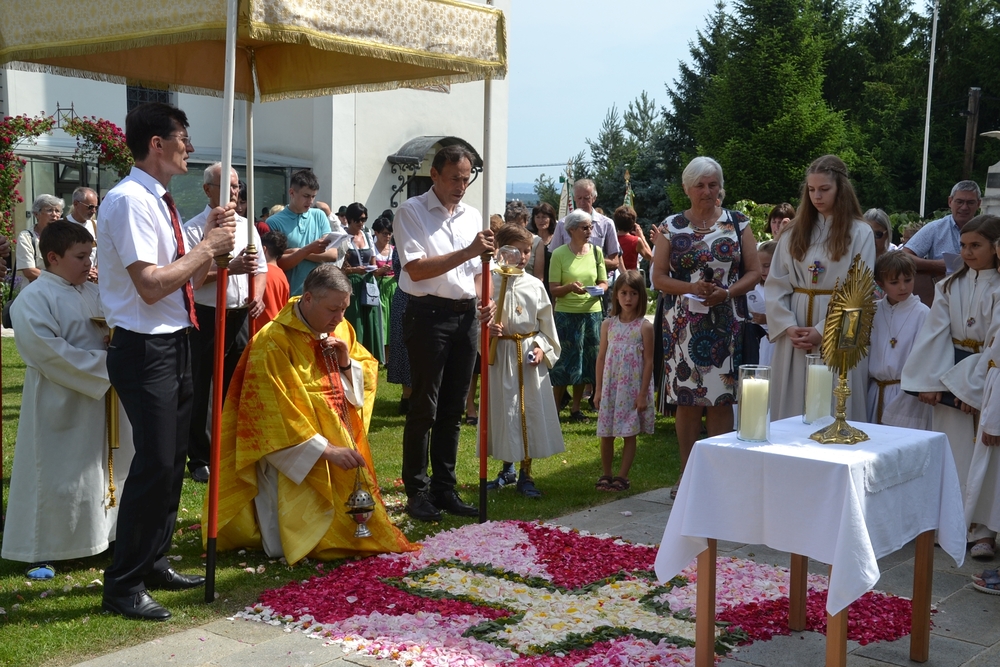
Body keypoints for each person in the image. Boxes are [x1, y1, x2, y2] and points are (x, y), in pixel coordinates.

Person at [97, 101, 237, 621]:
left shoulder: (161, 201)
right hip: (143, 345)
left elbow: (185, 281)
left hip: (174, 338)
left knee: (173, 461)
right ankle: (123, 583)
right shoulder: (129, 200)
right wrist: (206, 247)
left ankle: (153, 560)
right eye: (183, 138)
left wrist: (212, 250)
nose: (190, 148)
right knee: (154, 463)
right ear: (156, 143)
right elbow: (151, 285)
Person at [207, 264, 416, 562]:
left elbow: (366, 379)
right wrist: (325, 450)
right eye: (333, 309)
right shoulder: (273, 340)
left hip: (336, 435)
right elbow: (270, 412)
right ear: (307, 299)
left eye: (344, 309)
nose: (339, 317)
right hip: (293, 451)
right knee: (292, 533)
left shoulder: (340, 328)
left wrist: (345, 362)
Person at [2, 221, 134, 578]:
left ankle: (103, 536)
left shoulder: (92, 292)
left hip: (101, 398)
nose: (88, 263)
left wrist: (115, 340)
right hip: (59, 401)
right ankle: (46, 547)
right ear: (53, 257)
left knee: (102, 469)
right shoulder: (33, 299)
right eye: (80, 256)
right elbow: (46, 352)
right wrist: (107, 365)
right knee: (59, 472)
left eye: (90, 255)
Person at [394, 144, 495, 522]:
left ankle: (444, 487)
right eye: (454, 178)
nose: (461, 186)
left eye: (466, 179)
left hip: (465, 316)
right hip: (428, 315)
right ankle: (417, 490)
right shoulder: (411, 211)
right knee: (425, 406)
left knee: (453, 408)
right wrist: (469, 252)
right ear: (434, 174)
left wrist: (486, 298)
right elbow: (416, 268)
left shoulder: (472, 215)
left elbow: (479, 270)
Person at [653, 156, 761, 491]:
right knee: (687, 401)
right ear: (687, 189)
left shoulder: (738, 223)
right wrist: (690, 287)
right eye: (700, 185)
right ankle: (688, 476)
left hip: (727, 325)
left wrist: (726, 293)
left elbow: (754, 271)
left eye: (713, 184)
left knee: (722, 400)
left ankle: (719, 478)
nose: (707, 191)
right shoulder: (671, 226)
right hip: (683, 328)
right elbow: (658, 277)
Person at [901, 214, 1000, 559]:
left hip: (987, 379)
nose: (967, 252)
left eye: (976, 245)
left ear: (996, 247)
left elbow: (995, 346)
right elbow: (935, 334)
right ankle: (949, 525)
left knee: (984, 458)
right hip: (949, 377)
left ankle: (983, 531)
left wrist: (973, 389)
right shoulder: (948, 286)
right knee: (954, 453)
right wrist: (931, 382)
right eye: (963, 245)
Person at [764, 155, 875, 422]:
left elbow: (859, 290)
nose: (817, 196)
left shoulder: (860, 232)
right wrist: (788, 326)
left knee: (833, 402)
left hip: (838, 328)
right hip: (796, 329)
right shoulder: (793, 232)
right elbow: (776, 283)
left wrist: (823, 331)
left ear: (841, 189)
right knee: (793, 404)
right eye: (811, 189)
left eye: (824, 189)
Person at [182, 162, 267, 483]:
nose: (233, 191)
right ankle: (201, 456)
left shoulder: (247, 227)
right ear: (207, 189)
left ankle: (230, 447)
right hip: (207, 315)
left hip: (240, 314)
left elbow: (260, 268)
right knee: (203, 385)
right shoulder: (195, 229)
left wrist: (258, 295)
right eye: (225, 186)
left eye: (235, 186)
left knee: (236, 383)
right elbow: (194, 277)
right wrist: (231, 268)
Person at [484, 224, 563, 498]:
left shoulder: (535, 285)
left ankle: (526, 472)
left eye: (528, 251)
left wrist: (541, 347)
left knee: (527, 412)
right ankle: (507, 468)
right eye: (517, 251)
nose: (524, 256)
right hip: (501, 355)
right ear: (501, 250)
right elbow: (477, 320)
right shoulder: (489, 281)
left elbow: (547, 327)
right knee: (506, 411)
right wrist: (488, 331)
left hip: (527, 358)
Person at [594, 270, 654, 492]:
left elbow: (649, 361)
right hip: (611, 386)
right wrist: (598, 389)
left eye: (633, 294)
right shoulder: (608, 325)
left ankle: (622, 475)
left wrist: (642, 394)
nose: (628, 299)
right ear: (616, 295)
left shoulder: (644, 327)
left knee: (629, 432)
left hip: (631, 387)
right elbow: (601, 357)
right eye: (624, 293)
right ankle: (606, 473)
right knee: (607, 432)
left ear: (641, 296)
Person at [548, 208, 609, 423]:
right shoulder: (559, 254)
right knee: (563, 361)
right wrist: (569, 288)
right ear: (572, 230)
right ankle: (555, 409)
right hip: (566, 314)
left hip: (591, 314)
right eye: (585, 227)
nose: (589, 231)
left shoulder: (596, 252)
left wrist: (599, 289)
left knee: (585, 361)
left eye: (591, 227)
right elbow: (553, 289)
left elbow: (604, 282)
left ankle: (576, 408)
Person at [868, 251, 930, 428]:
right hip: (875, 392)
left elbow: (925, 359)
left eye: (908, 280)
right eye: (894, 282)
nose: (903, 287)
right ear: (880, 284)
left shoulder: (922, 313)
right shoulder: (872, 311)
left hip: (906, 395)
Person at [904, 180, 982, 304]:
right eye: (959, 201)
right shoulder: (935, 228)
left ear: (979, 204)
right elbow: (904, 256)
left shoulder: (987, 231)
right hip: (942, 298)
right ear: (950, 201)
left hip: (978, 298)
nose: (964, 207)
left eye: (970, 202)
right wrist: (936, 265)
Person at [267, 170, 338, 295]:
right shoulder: (274, 222)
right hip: (288, 295)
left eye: (313, 196)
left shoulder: (319, 215)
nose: (310, 201)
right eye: (306, 196)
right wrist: (309, 250)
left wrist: (299, 252)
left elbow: (332, 254)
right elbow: (277, 263)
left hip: (318, 294)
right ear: (291, 193)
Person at [336, 202, 385, 363]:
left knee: (371, 320)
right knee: (355, 320)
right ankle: (352, 356)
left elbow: (373, 262)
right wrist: (355, 270)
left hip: (368, 282)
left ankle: (370, 357)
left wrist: (375, 269)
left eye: (364, 219)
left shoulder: (367, 235)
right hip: (351, 283)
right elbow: (339, 267)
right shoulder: (343, 238)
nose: (361, 223)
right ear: (350, 219)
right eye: (358, 220)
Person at [17, 194, 63, 284]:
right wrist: (60, 280)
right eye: (49, 210)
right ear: (36, 214)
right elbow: (29, 272)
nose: (54, 214)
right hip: (37, 290)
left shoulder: (65, 236)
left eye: (57, 211)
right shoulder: (27, 237)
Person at [746, 240, 777, 366]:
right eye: (759, 266)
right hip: (762, 341)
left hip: (777, 342)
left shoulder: (784, 289)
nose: (762, 270)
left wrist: (767, 319)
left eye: (767, 265)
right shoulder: (756, 287)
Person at [254, 230, 291, 331]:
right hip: (276, 328)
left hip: (260, 331)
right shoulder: (282, 275)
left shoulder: (260, 274)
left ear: (263, 249)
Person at [372, 216, 397, 362]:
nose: (387, 237)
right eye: (384, 233)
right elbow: (370, 271)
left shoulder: (394, 250)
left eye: (389, 233)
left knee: (393, 320)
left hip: (393, 287)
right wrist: (380, 271)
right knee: (382, 321)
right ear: (376, 233)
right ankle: (381, 356)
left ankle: (390, 357)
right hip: (379, 287)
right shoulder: (373, 250)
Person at [528, 202, 557, 293]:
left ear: (551, 219)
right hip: (533, 284)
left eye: (544, 217)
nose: (541, 220)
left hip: (552, 283)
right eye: (538, 217)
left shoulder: (557, 239)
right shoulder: (530, 239)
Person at [613, 205, 653, 272]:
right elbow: (649, 256)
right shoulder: (635, 241)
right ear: (633, 223)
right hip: (631, 276)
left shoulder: (612, 239)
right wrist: (642, 236)